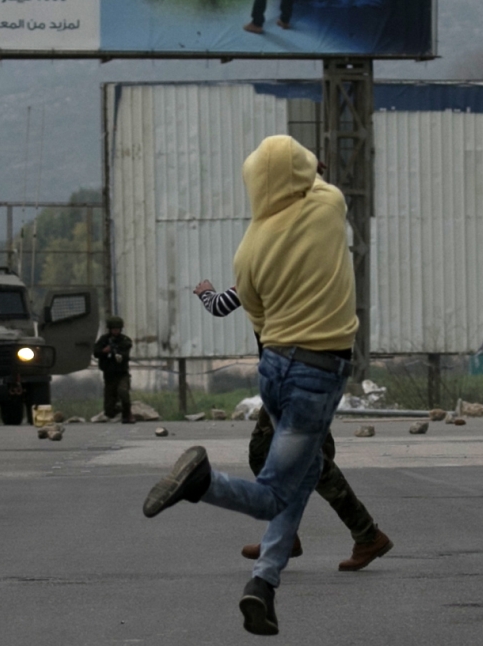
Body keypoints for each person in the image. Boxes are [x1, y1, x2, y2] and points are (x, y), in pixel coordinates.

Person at [142, 135, 361, 636]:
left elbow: (259, 321)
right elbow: (318, 179)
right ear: (306, 171)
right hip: (318, 371)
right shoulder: (329, 206)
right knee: (274, 493)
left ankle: (263, 581)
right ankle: (202, 484)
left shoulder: (249, 249)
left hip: (276, 368)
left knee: (305, 474)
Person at [194, 280, 392, 571]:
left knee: (301, 462)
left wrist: (205, 292)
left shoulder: (264, 274)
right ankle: (295, 536)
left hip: (293, 380)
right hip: (307, 377)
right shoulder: (301, 275)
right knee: (289, 457)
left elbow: (220, 305)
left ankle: (365, 535)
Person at [93, 316, 134, 424]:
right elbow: (96, 352)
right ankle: (118, 409)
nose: (115, 331)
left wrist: (119, 353)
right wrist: (104, 351)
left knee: (123, 392)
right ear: (110, 329)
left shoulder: (124, 340)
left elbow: (126, 352)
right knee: (109, 411)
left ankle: (127, 414)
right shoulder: (104, 340)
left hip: (122, 374)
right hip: (109, 376)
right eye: (113, 329)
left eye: (117, 329)